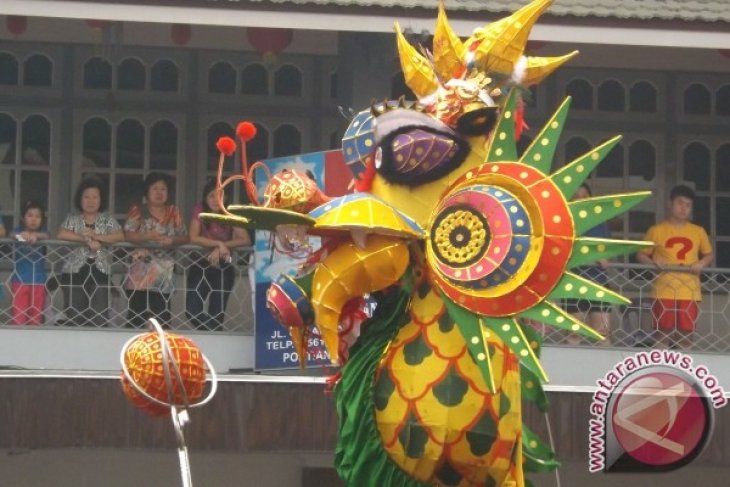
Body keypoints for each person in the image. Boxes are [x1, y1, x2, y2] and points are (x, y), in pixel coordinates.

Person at [637, 185, 713, 349]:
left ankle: (682, 369)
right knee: (662, 333)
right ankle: (661, 367)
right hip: (664, 288)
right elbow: (641, 254)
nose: (683, 208)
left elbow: (709, 255)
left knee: (686, 334)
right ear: (670, 204)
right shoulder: (656, 230)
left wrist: (701, 263)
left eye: (688, 205)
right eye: (680, 203)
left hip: (689, 290)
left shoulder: (698, 231)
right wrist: (653, 263)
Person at [56, 177, 124, 326]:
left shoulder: (107, 219)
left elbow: (120, 235)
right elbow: (61, 233)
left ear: (101, 199)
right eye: (86, 197)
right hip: (74, 272)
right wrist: (84, 239)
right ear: (79, 199)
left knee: (98, 317)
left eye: (95, 197)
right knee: (75, 315)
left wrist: (98, 237)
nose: (91, 201)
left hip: (100, 270)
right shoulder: (73, 218)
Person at [123, 172, 188, 328]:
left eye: (163, 189)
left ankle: (161, 350)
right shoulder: (138, 210)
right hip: (140, 269)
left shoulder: (174, 212)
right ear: (147, 192)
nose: (159, 193)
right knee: (136, 315)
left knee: (162, 316)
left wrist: (172, 240)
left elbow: (185, 237)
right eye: (155, 189)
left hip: (164, 271)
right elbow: (128, 235)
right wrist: (147, 236)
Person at [186, 179, 251, 330]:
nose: (215, 200)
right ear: (205, 198)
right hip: (200, 263)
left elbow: (245, 239)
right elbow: (193, 237)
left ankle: (213, 336)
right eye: (211, 196)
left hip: (223, 264)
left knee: (217, 313)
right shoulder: (200, 210)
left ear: (226, 197)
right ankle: (211, 332)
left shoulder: (230, 212)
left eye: (219, 195)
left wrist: (221, 248)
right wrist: (218, 244)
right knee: (192, 310)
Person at [563, 183, 612, 345]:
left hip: (598, 280)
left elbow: (608, 250)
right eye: (576, 197)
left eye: (584, 196)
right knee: (574, 332)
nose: (581, 200)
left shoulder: (600, 222)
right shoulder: (564, 222)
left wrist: (603, 258)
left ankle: (606, 369)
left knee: (602, 333)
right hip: (573, 281)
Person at [10, 200, 49, 325]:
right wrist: (22, 235)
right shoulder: (18, 230)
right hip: (20, 280)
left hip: (38, 281)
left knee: (35, 316)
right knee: (19, 315)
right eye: (30, 215)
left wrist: (35, 236)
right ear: (23, 217)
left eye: (38, 216)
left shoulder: (43, 232)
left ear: (42, 219)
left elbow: (47, 236)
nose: (33, 219)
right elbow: (12, 234)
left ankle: (33, 342)